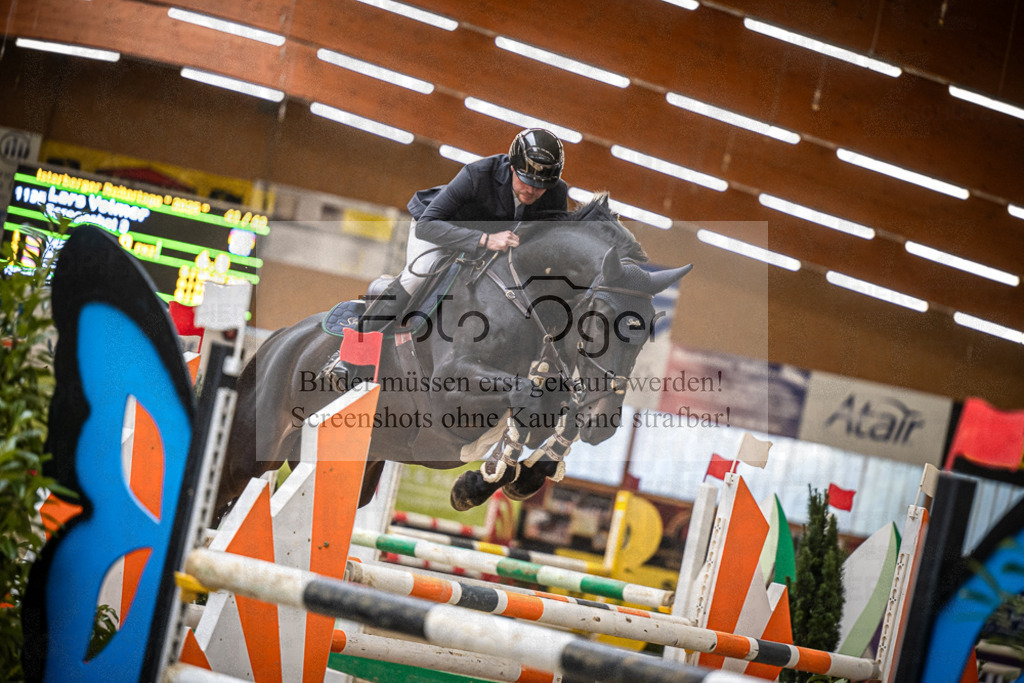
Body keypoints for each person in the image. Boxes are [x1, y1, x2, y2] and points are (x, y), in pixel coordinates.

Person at [320, 128, 568, 384]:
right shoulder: (478, 174)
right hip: (438, 229)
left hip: (493, 248)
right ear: (513, 168)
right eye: (527, 181)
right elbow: (428, 225)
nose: (532, 190)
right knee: (416, 276)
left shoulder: (556, 193)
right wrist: (484, 240)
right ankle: (348, 355)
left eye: (541, 187)